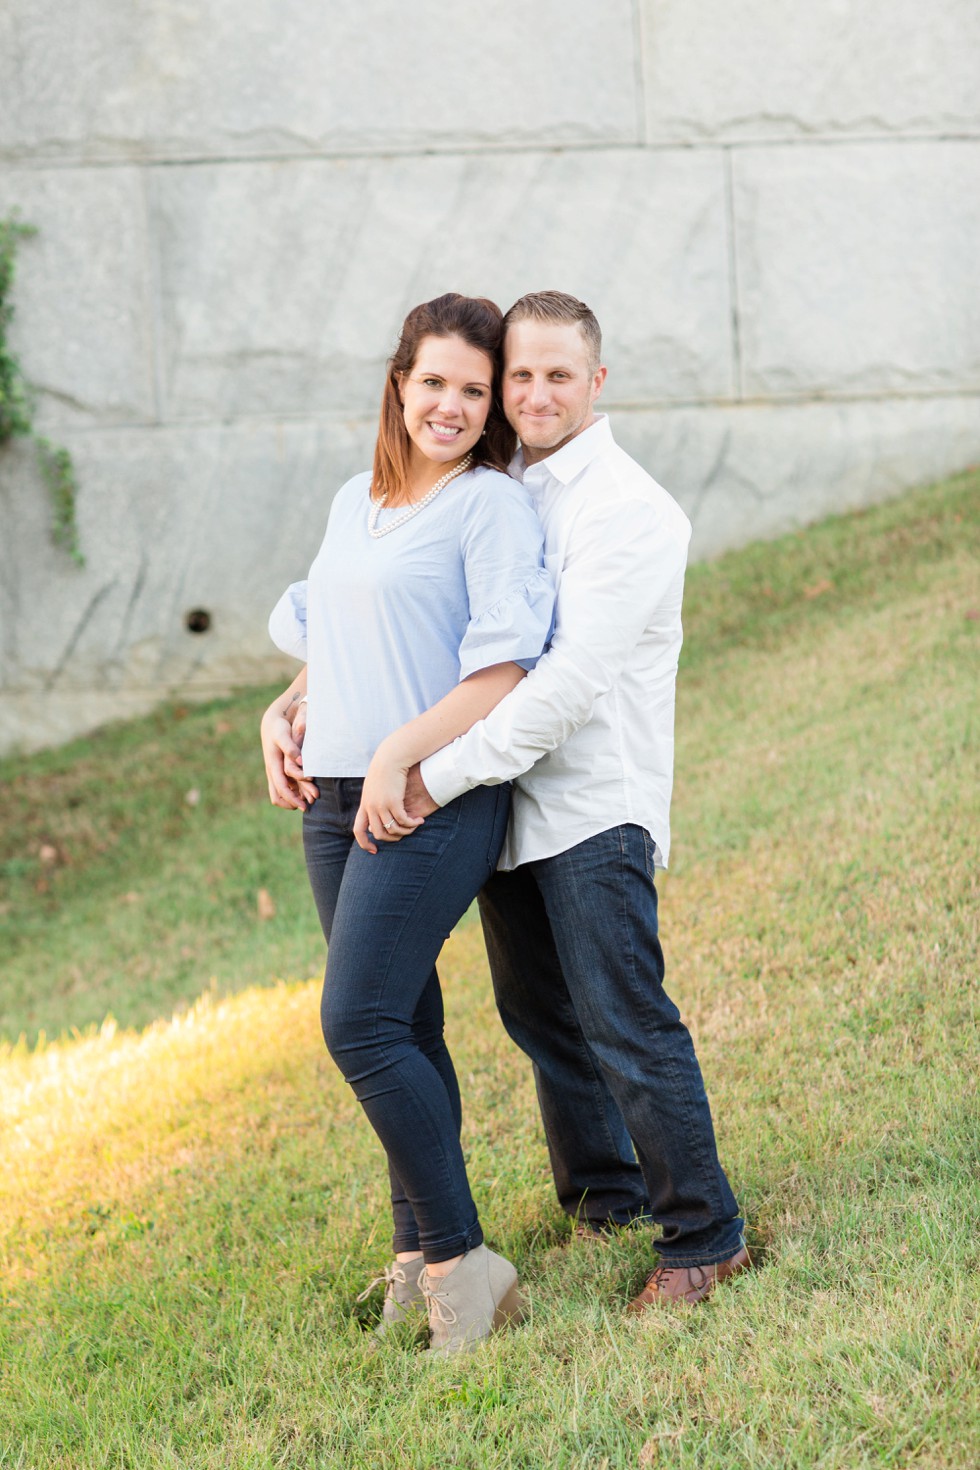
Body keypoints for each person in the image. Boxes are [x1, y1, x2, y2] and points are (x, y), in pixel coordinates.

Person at [354, 291, 749, 1309]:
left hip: (591, 808)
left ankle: (703, 1236)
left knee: (623, 1020)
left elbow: (566, 687)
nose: (531, 393)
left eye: (555, 376)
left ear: (595, 382)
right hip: (509, 807)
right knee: (539, 1018)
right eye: (517, 375)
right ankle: (605, 1197)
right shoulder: (498, 489)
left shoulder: (629, 510)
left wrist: (426, 776)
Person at [260, 293, 554, 1356]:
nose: (451, 404)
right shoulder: (361, 500)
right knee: (406, 1025)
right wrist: (284, 707)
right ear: (398, 383)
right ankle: (416, 1256)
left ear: (490, 409)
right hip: (333, 802)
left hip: (425, 801)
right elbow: (339, 631)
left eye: (473, 391)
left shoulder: (486, 505)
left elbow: (504, 664)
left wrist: (398, 754)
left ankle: (464, 1268)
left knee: (359, 1025)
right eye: (433, 381)